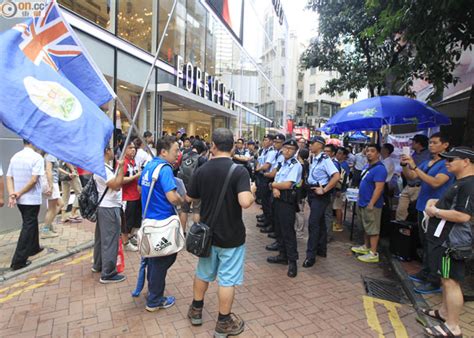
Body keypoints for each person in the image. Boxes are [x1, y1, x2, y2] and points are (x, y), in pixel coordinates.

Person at [186, 128, 254, 337]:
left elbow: (190, 198)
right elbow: (245, 202)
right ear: (233, 147)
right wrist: (252, 192)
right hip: (231, 236)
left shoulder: (202, 169)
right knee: (227, 279)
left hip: (207, 236)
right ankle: (223, 323)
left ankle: (196, 310)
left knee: (203, 273)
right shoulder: (240, 171)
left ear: (212, 146)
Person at [421, 147, 474, 337]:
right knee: (445, 279)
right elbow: (451, 204)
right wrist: (434, 202)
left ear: (466, 161)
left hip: (451, 243)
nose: (447, 163)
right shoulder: (460, 182)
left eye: (451, 160)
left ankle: (453, 326)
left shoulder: (469, 184)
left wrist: (434, 211)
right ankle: (444, 313)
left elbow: (462, 215)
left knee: (451, 281)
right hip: (444, 239)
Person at [401, 133, 455, 294]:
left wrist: (415, 167)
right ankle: (425, 272)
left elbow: (436, 182)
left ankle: (434, 280)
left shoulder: (447, 164)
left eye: (435, 142)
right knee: (425, 242)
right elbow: (411, 176)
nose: (431, 145)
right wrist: (405, 164)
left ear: (445, 145)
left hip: (437, 210)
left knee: (434, 245)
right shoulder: (428, 162)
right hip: (422, 207)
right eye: (430, 143)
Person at [139, 135, 184, 311]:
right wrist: (181, 200)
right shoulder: (165, 169)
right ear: (164, 152)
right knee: (164, 259)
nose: (178, 154)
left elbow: (139, 189)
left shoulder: (149, 166)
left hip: (149, 220)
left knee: (154, 259)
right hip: (163, 223)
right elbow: (172, 197)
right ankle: (155, 300)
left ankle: (153, 291)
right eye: (175, 151)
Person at [6, 140, 45, 270]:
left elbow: (9, 177)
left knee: (30, 222)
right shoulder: (37, 157)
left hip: (20, 200)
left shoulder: (15, 156)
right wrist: (18, 193)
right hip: (31, 198)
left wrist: (13, 193)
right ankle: (18, 260)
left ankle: (34, 247)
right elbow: (34, 180)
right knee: (28, 225)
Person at [267, 139, 302, 278]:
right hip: (277, 199)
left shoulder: (295, 165)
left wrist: (273, 186)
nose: (287, 151)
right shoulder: (282, 162)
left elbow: (287, 184)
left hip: (287, 201)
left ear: (295, 151)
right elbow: (277, 179)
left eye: (291, 149)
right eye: (285, 148)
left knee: (288, 231)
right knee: (279, 229)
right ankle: (282, 255)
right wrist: (275, 187)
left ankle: (292, 262)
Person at [303, 136, 340, 268]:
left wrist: (324, 190)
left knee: (313, 223)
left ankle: (310, 256)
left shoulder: (325, 159)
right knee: (319, 222)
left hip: (320, 195)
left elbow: (336, 176)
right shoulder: (314, 157)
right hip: (312, 193)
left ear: (320, 145)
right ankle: (321, 249)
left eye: (312, 143)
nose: (310, 145)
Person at [92, 145, 126, 284]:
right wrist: (122, 167)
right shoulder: (103, 169)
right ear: (106, 151)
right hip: (109, 207)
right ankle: (108, 273)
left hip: (104, 207)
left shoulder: (101, 167)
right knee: (110, 240)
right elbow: (116, 185)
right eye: (111, 149)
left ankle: (98, 265)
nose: (113, 152)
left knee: (101, 239)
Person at [351, 144, 387, 263]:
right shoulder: (368, 166)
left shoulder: (380, 169)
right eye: (367, 151)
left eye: (372, 151)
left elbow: (379, 188)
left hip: (371, 204)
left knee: (373, 228)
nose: (369, 153)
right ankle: (366, 247)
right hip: (362, 202)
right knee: (366, 226)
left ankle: (373, 253)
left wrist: (372, 202)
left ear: (378, 153)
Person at [395, 134, 430, 221]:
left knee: (414, 213)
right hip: (408, 185)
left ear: (419, 143)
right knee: (400, 211)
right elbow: (410, 174)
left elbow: (417, 173)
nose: (411, 144)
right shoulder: (414, 154)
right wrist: (404, 164)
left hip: (419, 186)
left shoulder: (428, 156)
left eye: (413, 142)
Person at [259, 134, 285, 239]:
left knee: (274, 208)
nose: (275, 144)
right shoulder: (277, 153)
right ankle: (272, 226)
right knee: (269, 204)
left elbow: (274, 172)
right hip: (273, 182)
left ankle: (274, 228)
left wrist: (264, 174)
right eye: (274, 142)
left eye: (278, 142)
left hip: (276, 183)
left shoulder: (282, 155)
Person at [178, 140, 208, 231]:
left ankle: (182, 232)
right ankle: (195, 232)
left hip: (184, 186)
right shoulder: (201, 159)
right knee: (197, 210)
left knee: (184, 210)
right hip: (196, 187)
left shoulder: (184, 155)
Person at [121, 142, 141, 251]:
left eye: (134, 148)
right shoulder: (123, 163)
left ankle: (130, 237)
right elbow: (120, 180)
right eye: (130, 148)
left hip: (136, 196)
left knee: (135, 220)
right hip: (127, 197)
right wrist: (135, 176)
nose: (133, 150)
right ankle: (125, 242)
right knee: (127, 222)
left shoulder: (134, 161)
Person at [255, 135, 277, 230]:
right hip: (262, 175)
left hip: (267, 176)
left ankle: (268, 221)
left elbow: (267, 166)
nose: (264, 141)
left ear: (271, 142)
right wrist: (258, 168)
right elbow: (260, 161)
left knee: (267, 200)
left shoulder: (272, 152)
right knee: (263, 198)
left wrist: (258, 169)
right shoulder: (264, 150)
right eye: (263, 140)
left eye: (266, 140)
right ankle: (265, 216)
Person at [41, 153, 64, 238]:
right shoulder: (51, 156)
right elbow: (48, 170)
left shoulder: (50, 155)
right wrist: (51, 186)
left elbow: (55, 169)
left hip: (53, 183)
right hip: (52, 183)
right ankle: (45, 230)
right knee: (52, 208)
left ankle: (49, 225)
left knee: (60, 204)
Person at [332, 147, 350, 232]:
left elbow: (343, 179)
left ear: (344, 156)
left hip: (340, 190)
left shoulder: (344, 165)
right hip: (340, 189)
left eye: (340, 153)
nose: (337, 155)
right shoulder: (340, 164)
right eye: (337, 153)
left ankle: (339, 225)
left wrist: (339, 190)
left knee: (338, 207)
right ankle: (337, 223)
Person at [295, 148, 310, 239]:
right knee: (299, 212)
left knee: (299, 212)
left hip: (299, 192)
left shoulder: (300, 166)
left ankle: (299, 232)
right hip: (303, 191)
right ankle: (298, 230)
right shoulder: (307, 164)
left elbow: (298, 182)